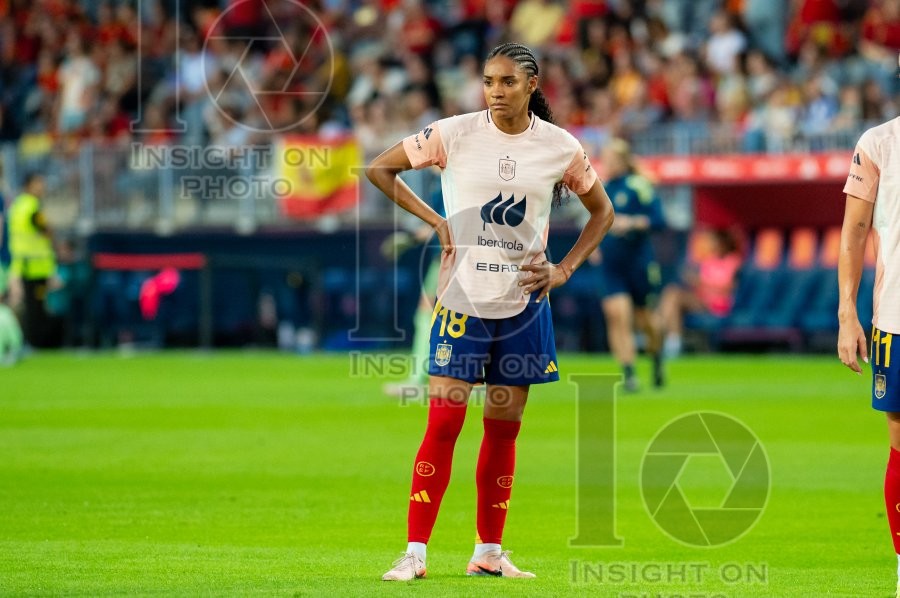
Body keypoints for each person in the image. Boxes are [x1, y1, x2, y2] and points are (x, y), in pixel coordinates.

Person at [366, 42, 614, 581]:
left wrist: (564, 270)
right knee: (444, 425)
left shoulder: (560, 146)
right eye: (488, 81)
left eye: (506, 82)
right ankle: (415, 552)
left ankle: (489, 552)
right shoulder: (453, 133)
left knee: (504, 432)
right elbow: (380, 170)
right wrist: (436, 221)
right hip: (462, 303)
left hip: (525, 307)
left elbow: (603, 211)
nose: (495, 92)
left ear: (531, 84)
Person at [837, 68, 900, 597]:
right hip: (896, 318)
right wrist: (846, 314)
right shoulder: (879, 142)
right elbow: (854, 231)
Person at [595, 138, 665, 391]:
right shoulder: (601, 188)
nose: (607, 164)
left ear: (623, 161)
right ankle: (629, 374)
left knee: (646, 320)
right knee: (617, 316)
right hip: (611, 264)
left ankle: (657, 357)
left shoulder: (638, 186)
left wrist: (632, 223)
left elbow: (659, 220)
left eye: (611, 159)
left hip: (637, 262)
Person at [659, 228, 743, 357]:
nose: (712, 245)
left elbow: (728, 289)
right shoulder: (709, 260)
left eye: (714, 242)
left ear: (723, 242)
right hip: (701, 300)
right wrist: (694, 281)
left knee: (674, 296)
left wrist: (702, 284)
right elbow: (701, 285)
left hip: (718, 304)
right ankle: (672, 341)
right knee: (672, 294)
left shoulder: (733, 261)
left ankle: (660, 332)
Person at [8, 172, 58, 348]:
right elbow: (45, 229)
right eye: (38, 183)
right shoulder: (32, 207)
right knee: (35, 309)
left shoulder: (18, 205)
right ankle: (33, 343)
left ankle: (30, 343)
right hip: (35, 267)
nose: (42, 187)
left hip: (24, 264)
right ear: (29, 185)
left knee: (31, 307)